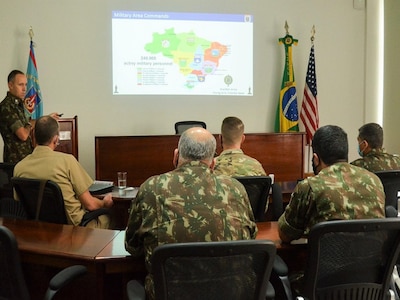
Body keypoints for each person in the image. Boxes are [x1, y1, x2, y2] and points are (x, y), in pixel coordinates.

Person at [125, 127, 257, 300]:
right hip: (233, 294)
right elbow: (251, 236)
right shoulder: (236, 188)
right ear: (213, 163)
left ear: (176, 156)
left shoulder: (151, 188)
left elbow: (132, 246)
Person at [278, 125, 385, 243]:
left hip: (327, 260)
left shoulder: (309, 186)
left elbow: (285, 234)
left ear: (315, 159)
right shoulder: (375, 181)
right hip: (371, 260)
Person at [14, 115, 113, 228]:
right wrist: (104, 203)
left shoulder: (19, 167)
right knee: (109, 217)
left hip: (39, 229)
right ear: (56, 139)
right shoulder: (67, 161)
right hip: (73, 230)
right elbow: (90, 204)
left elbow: (20, 204)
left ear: (34, 138)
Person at [0, 70, 59, 163]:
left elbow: (29, 124)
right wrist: (29, 124)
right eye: (20, 85)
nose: (24, 89)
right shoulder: (7, 107)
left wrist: (46, 118)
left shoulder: (19, 105)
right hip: (14, 162)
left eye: (25, 84)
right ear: (10, 85)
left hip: (26, 159)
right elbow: (23, 135)